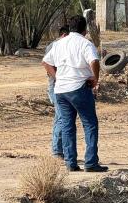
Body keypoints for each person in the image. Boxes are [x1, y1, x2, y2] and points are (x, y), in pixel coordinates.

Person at [42, 16, 108, 172]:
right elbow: (94, 61)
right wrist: (95, 79)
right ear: (85, 30)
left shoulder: (58, 44)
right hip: (79, 88)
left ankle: (71, 163)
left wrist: (57, 77)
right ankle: (91, 162)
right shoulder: (85, 43)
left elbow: (45, 62)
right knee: (90, 124)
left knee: (67, 126)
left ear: (69, 28)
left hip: (61, 91)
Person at [45, 24, 69, 159]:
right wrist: (59, 78)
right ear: (64, 35)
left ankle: (59, 149)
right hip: (56, 87)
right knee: (61, 118)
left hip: (61, 86)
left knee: (59, 117)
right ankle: (57, 151)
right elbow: (47, 65)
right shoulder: (55, 46)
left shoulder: (59, 45)